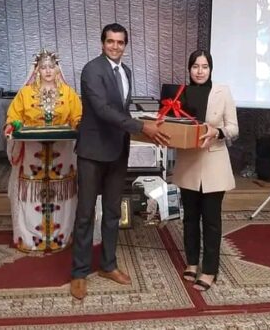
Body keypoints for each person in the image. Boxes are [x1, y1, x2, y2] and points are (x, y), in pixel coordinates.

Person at [70, 23, 169, 300]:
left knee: (113, 211)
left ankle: (108, 265)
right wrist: (142, 127)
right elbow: (102, 110)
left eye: (120, 42)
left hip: (117, 151)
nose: (115, 46)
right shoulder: (92, 70)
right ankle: (79, 272)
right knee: (85, 214)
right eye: (110, 41)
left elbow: (121, 110)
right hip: (92, 152)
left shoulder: (126, 71)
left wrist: (146, 123)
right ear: (102, 43)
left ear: (125, 45)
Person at [172, 49, 238, 292]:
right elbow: (173, 123)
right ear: (189, 69)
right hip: (188, 163)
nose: (199, 71)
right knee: (190, 218)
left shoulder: (223, 91)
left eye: (204, 66)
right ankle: (191, 262)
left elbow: (234, 128)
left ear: (210, 69)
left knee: (211, 220)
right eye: (195, 66)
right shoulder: (180, 93)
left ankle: (209, 270)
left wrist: (218, 132)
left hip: (214, 163)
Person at [3, 49, 82, 253]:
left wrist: (79, 125)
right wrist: (12, 125)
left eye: (51, 67)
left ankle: (60, 238)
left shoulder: (69, 93)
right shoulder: (25, 93)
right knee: (31, 197)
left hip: (62, 156)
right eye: (43, 67)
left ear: (57, 69)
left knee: (62, 197)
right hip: (32, 157)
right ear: (37, 70)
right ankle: (30, 239)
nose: (47, 71)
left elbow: (77, 117)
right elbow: (14, 117)